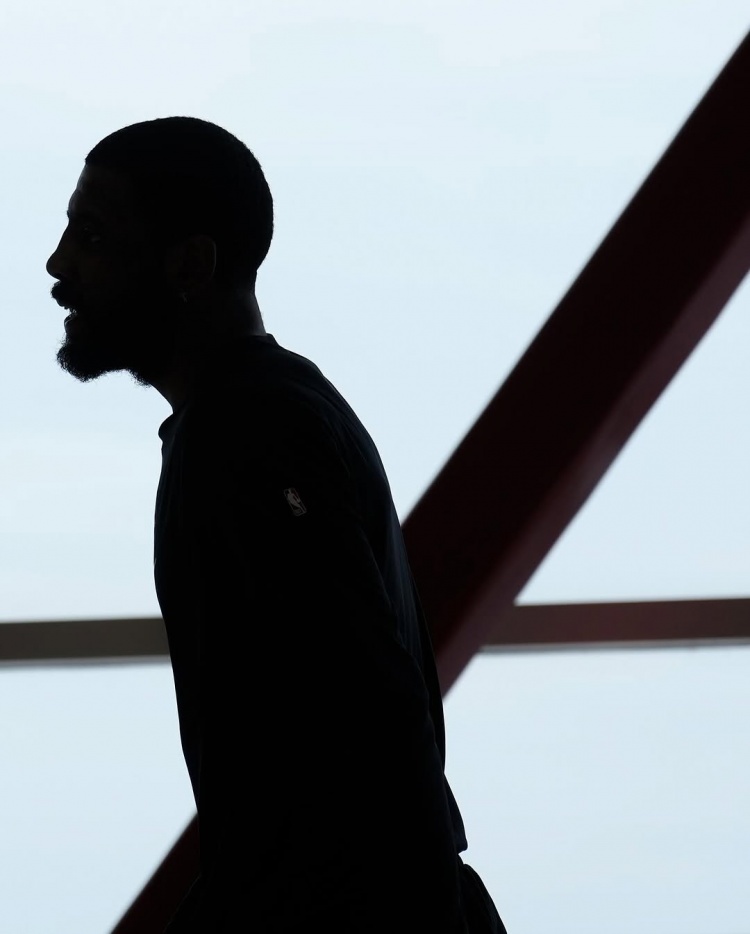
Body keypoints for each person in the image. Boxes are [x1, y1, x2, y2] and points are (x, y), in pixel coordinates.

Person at [46, 116, 506, 934]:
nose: (59, 265)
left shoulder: (248, 432)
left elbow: (365, 718)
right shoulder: (269, 411)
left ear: (190, 265)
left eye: (93, 235)